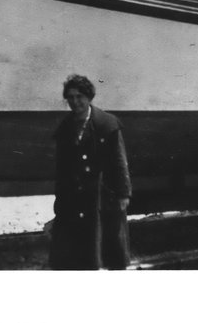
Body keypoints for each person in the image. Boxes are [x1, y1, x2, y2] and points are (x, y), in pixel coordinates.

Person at [48, 74, 132, 270]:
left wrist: (123, 193)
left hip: (102, 196)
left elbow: (120, 161)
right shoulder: (65, 127)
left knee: (106, 249)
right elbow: (62, 169)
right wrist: (59, 201)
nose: (75, 102)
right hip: (75, 197)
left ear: (89, 97)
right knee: (75, 253)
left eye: (79, 97)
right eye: (70, 97)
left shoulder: (107, 124)